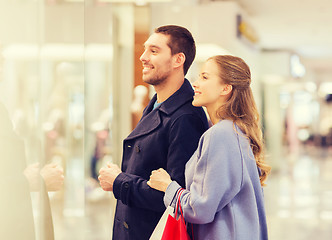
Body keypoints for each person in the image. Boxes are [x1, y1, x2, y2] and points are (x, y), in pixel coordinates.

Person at [98, 25, 209, 240]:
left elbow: (178, 197)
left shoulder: (186, 117)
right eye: (145, 49)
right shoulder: (158, 104)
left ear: (178, 60)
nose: (142, 57)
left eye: (154, 51)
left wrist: (119, 181)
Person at [147, 55, 272, 240]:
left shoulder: (221, 134)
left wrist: (167, 186)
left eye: (205, 77)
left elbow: (201, 209)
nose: (195, 84)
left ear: (226, 88)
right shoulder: (235, 131)